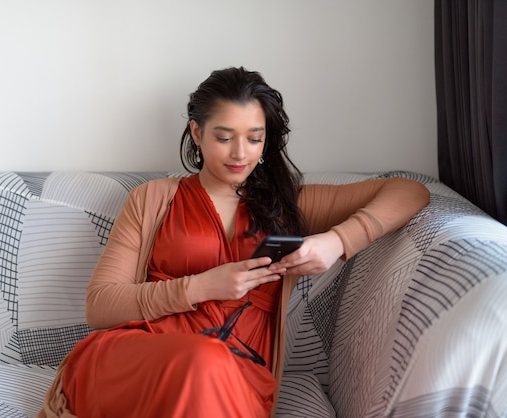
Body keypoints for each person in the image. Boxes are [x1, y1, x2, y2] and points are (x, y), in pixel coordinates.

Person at [38, 67, 430, 418]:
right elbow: (99, 305)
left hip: (236, 374)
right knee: (201, 362)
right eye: (224, 137)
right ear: (197, 132)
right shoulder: (153, 198)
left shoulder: (288, 205)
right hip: (137, 357)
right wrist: (200, 286)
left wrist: (336, 242)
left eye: (254, 138)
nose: (241, 153)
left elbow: (409, 192)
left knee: (208, 367)